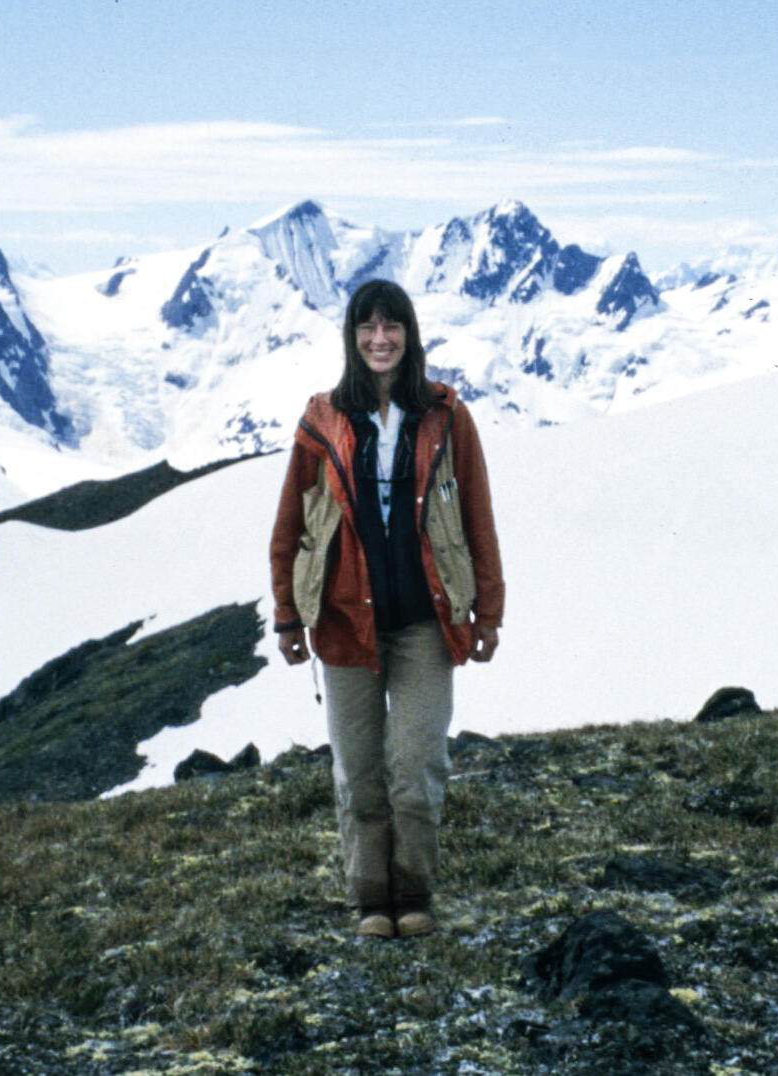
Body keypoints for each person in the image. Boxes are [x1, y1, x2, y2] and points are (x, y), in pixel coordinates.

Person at [269, 278, 504, 939]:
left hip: (427, 624)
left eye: (391, 326)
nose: (379, 338)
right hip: (344, 622)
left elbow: (478, 517)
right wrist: (288, 616)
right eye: (366, 327)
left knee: (416, 766)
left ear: (409, 334)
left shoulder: (445, 416)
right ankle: (372, 901)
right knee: (360, 774)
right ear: (351, 337)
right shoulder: (321, 420)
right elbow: (290, 522)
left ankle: (415, 895)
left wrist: (487, 611)